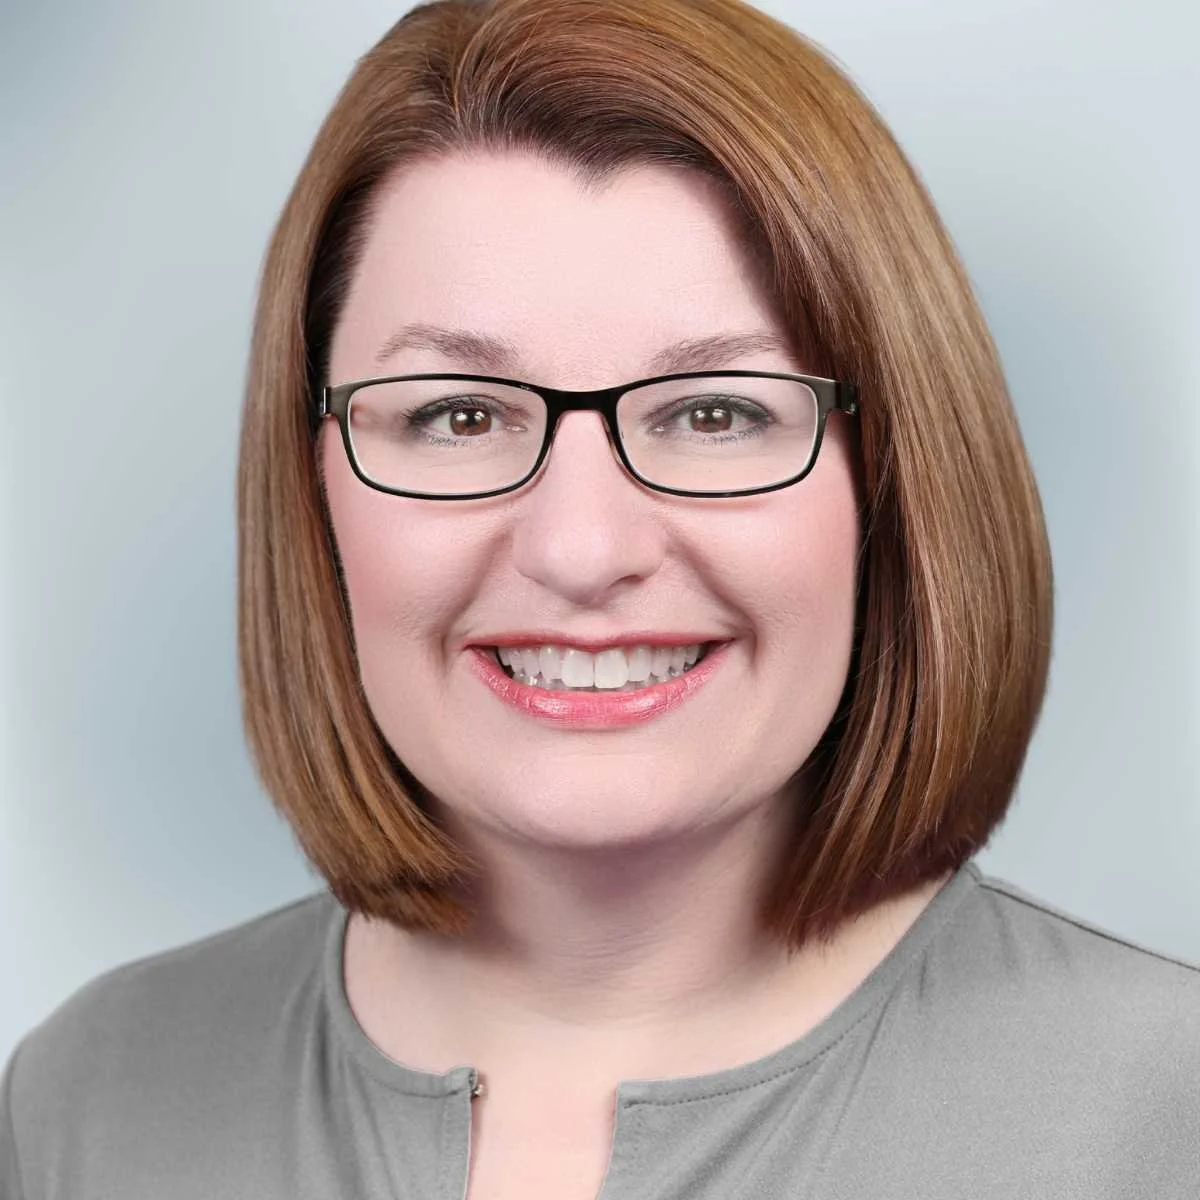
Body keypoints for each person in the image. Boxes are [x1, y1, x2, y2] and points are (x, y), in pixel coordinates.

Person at [3, 0, 1197, 1195]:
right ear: (311, 487)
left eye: (715, 413)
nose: (581, 549)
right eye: (457, 415)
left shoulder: (1163, 1111)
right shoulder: (89, 1104)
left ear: (894, 477)